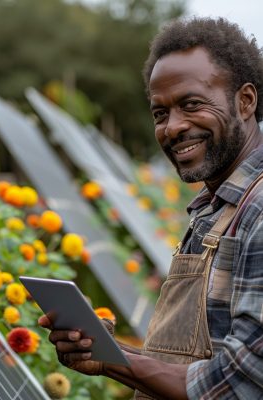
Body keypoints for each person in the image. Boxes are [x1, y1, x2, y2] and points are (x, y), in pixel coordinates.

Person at [39, 17, 263, 399]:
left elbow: (238, 382)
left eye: (191, 104)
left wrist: (114, 361)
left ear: (245, 101)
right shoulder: (214, 209)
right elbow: (189, 364)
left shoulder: (257, 211)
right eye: (160, 113)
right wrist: (105, 351)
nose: (172, 127)